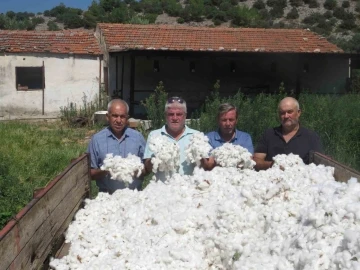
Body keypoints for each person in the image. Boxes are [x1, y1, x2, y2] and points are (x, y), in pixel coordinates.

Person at [87, 99, 146, 194]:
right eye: (115, 116)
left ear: (127, 118)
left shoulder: (137, 137)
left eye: (122, 116)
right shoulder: (97, 140)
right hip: (107, 197)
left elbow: (146, 168)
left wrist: (136, 171)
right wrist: (107, 170)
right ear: (107, 117)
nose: (118, 120)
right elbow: (90, 173)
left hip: (134, 195)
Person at [253, 97, 323, 170]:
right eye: (282, 113)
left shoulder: (311, 137)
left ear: (298, 113)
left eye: (290, 112)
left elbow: (319, 165)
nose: (286, 116)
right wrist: (273, 164)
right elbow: (256, 161)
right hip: (272, 178)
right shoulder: (269, 134)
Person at [143, 97, 198, 181]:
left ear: (185, 115)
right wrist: (156, 158)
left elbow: (205, 167)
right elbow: (148, 168)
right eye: (171, 114)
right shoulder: (154, 135)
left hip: (188, 190)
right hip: (162, 190)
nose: (175, 118)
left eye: (179, 114)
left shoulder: (196, 136)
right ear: (165, 115)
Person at [202, 103, 254, 170]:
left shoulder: (245, 138)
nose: (228, 124)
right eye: (224, 120)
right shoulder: (208, 138)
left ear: (236, 120)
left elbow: (248, 161)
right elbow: (208, 164)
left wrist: (218, 160)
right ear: (218, 120)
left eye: (231, 120)